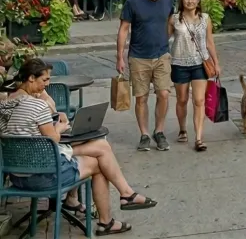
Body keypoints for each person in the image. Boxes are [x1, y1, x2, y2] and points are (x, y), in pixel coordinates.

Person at [1, 58, 157, 235]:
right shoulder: (37, 106)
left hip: (16, 175)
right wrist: (58, 127)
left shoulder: (5, 103)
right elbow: (52, 139)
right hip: (43, 176)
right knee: (98, 164)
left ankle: (121, 195)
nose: (47, 84)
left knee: (100, 148)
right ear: (30, 78)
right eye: (44, 80)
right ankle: (107, 219)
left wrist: (41, 93)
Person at [116, 0, 173, 151]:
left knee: (164, 94)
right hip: (138, 56)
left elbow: (170, 21)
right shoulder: (133, 2)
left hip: (162, 54)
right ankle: (144, 134)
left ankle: (160, 131)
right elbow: (124, 29)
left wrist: (166, 39)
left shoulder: (167, 0)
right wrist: (120, 57)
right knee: (141, 97)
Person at [168, 0, 219, 151]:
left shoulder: (205, 19)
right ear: (182, 0)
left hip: (200, 63)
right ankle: (183, 129)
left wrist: (216, 62)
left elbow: (209, 42)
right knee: (182, 100)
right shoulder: (175, 19)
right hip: (179, 62)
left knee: (199, 101)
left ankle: (198, 138)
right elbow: (165, 39)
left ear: (198, 1)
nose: (190, 1)